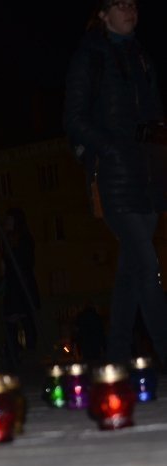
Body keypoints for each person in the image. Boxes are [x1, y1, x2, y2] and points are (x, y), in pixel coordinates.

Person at [64, 0, 167, 367]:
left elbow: (154, 113)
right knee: (148, 267)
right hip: (113, 178)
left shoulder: (141, 57)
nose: (130, 11)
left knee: (130, 274)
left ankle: (117, 358)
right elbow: (74, 118)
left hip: (148, 178)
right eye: (120, 5)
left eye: (133, 4)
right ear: (103, 14)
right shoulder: (90, 56)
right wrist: (111, 150)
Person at [1, 207, 41, 366]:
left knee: (26, 319)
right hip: (13, 286)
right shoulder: (7, 239)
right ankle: (13, 354)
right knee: (11, 321)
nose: (6, 222)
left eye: (9, 220)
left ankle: (30, 353)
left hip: (22, 284)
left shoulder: (24, 239)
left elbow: (26, 262)